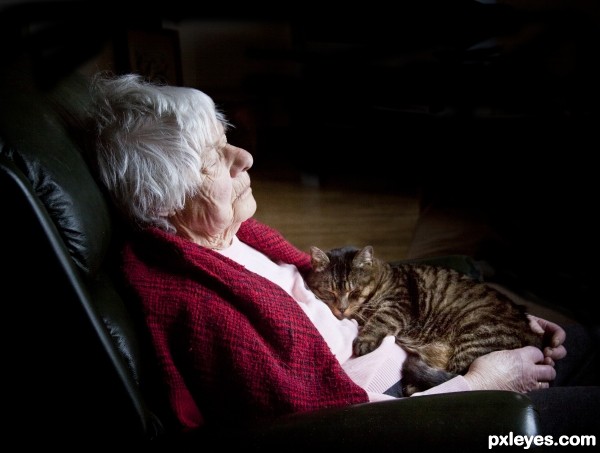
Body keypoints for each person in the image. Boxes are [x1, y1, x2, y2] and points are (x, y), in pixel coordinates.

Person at [85, 72, 598, 439]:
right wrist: (481, 384)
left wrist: (493, 317)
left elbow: (363, 297)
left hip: (421, 348)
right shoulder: (199, 306)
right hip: (424, 407)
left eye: (228, 142)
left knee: (588, 343)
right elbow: (330, 428)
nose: (244, 157)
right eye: (213, 159)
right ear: (164, 198)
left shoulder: (234, 239)